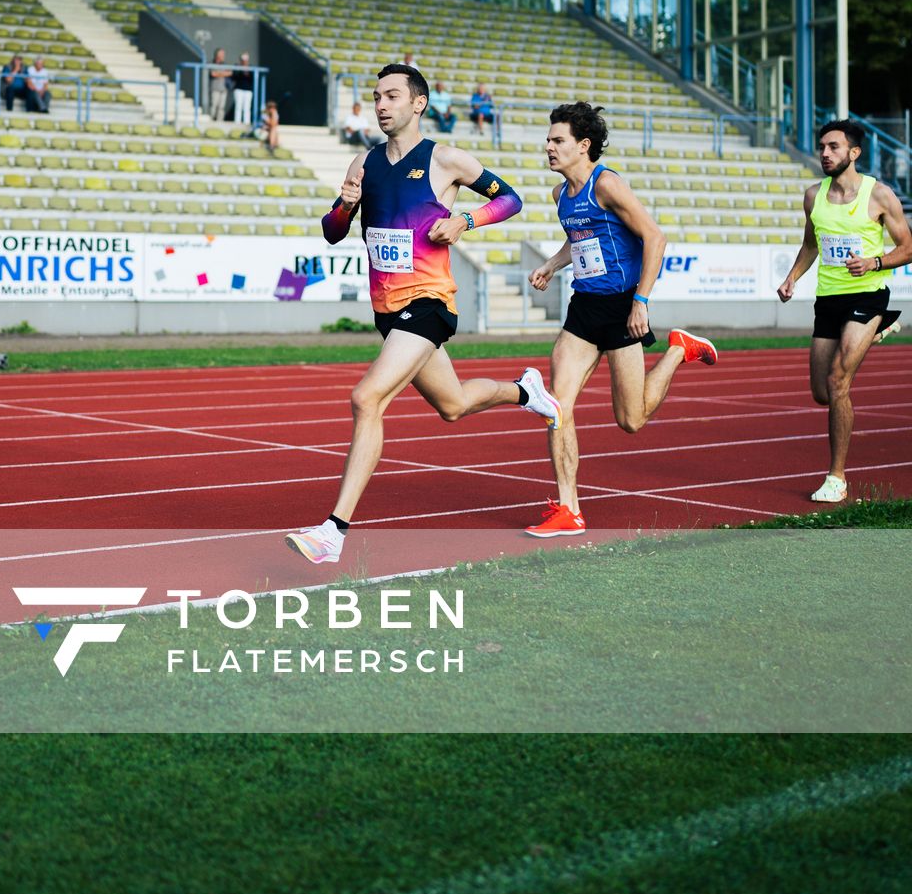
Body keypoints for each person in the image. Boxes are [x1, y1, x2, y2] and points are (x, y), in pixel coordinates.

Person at [285, 63, 561, 566]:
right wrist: (346, 206)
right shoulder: (363, 164)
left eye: (392, 95)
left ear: (418, 104)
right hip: (388, 311)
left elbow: (511, 199)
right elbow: (331, 230)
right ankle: (527, 391)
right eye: (376, 96)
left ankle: (333, 531)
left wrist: (465, 219)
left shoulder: (446, 159)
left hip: (430, 303)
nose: (382, 104)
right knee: (453, 405)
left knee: (366, 398)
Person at [523, 101, 717, 539]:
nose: (548, 148)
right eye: (548, 140)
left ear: (583, 146)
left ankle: (677, 351)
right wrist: (553, 264)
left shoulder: (606, 184)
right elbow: (580, 239)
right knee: (556, 406)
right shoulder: (561, 195)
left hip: (622, 308)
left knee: (631, 420)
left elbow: (654, 236)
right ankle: (568, 508)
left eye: (558, 141)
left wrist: (641, 301)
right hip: (584, 308)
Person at [776, 117, 911, 502]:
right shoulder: (812, 195)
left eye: (833, 147)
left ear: (854, 153)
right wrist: (792, 277)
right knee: (821, 392)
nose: (824, 153)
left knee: (838, 382)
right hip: (829, 300)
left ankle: (836, 477)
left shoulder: (879, 195)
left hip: (867, 295)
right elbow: (811, 244)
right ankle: (880, 330)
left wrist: (875, 263)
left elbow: (908, 246)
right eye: (822, 147)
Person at [231, 52, 254, 128]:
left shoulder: (251, 68)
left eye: (246, 60)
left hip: (248, 90)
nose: (244, 61)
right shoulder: (237, 67)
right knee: (238, 107)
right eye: (243, 59)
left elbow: (252, 78)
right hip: (238, 89)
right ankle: (237, 124)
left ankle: (246, 124)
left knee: (247, 108)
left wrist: (247, 71)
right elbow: (234, 76)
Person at [208, 48, 232, 122]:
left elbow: (230, 73)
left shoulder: (225, 64)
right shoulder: (212, 63)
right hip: (215, 88)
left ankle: (219, 121)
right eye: (221, 54)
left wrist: (219, 74)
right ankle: (211, 120)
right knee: (214, 105)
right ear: (217, 55)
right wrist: (223, 74)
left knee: (221, 107)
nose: (223, 56)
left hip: (223, 88)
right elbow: (213, 74)